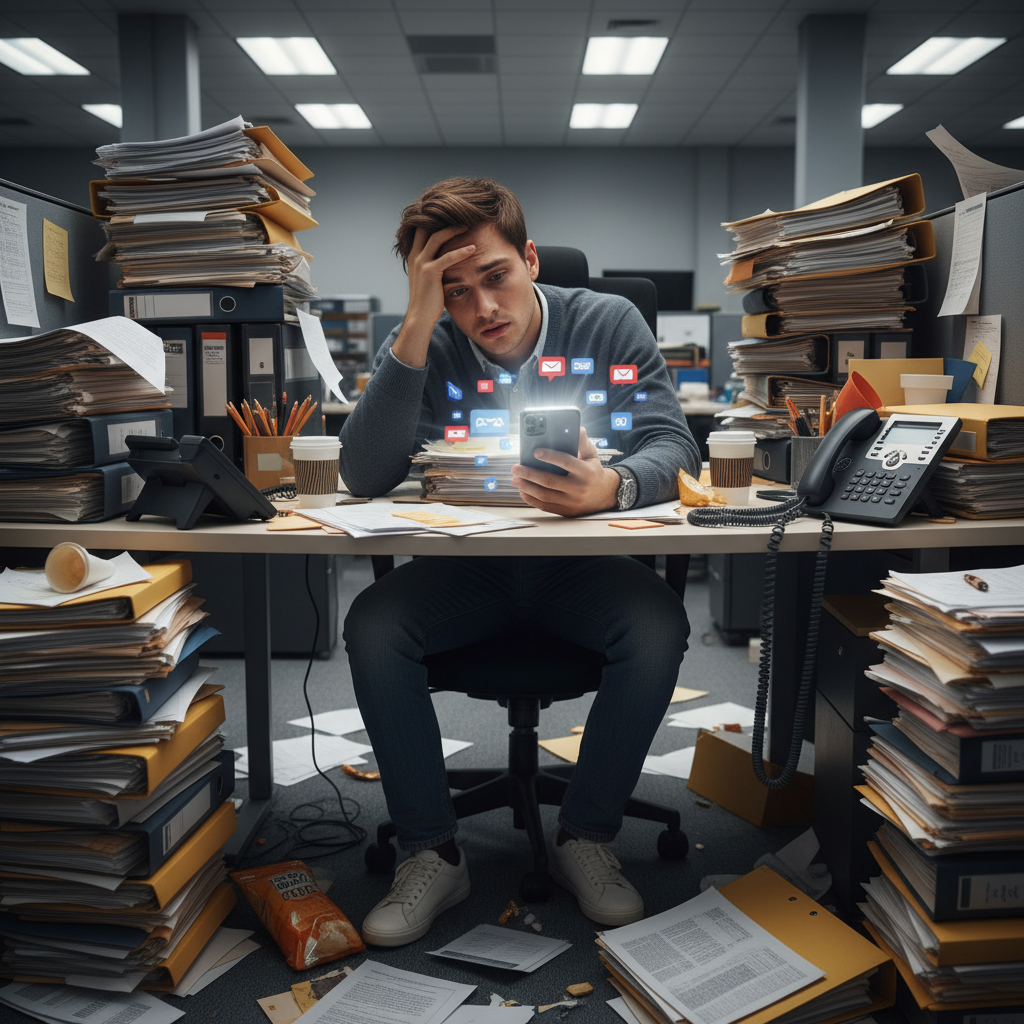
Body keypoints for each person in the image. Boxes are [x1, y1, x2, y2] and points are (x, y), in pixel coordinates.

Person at [340, 176, 700, 947]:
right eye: (455, 290)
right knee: (373, 625)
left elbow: (677, 446)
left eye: (495, 276)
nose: (483, 309)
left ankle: (587, 836)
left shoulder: (608, 323)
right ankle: (431, 851)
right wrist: (415, 319)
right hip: (472, 571)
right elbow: (365, 474)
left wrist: (616, 484)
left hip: (581, 569)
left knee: (659, 624)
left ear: (531, 259)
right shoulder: (428, 341)